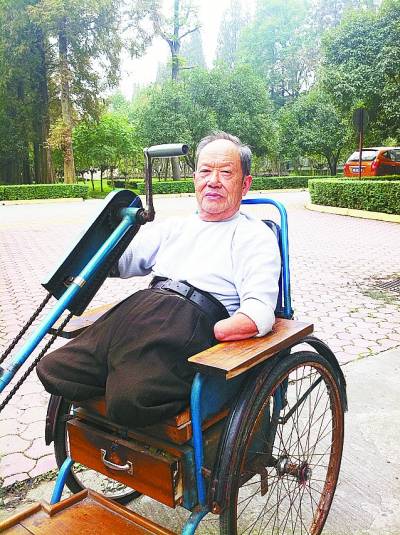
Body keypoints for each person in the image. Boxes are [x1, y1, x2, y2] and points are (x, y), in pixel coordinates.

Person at [36, 132, 281, 428]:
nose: (213, 181)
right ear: (195, 179)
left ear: (245, 184)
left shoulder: (255, 235)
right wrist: (93, 250)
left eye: (226, 173)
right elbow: (120, 261)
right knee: (53, 369)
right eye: (205, 171)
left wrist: (216, 331)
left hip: (190, 321)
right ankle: (123, 370)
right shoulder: (176, 227)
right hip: (139, 310)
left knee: (129, 401)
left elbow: (259, 310)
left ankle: (132, 379)